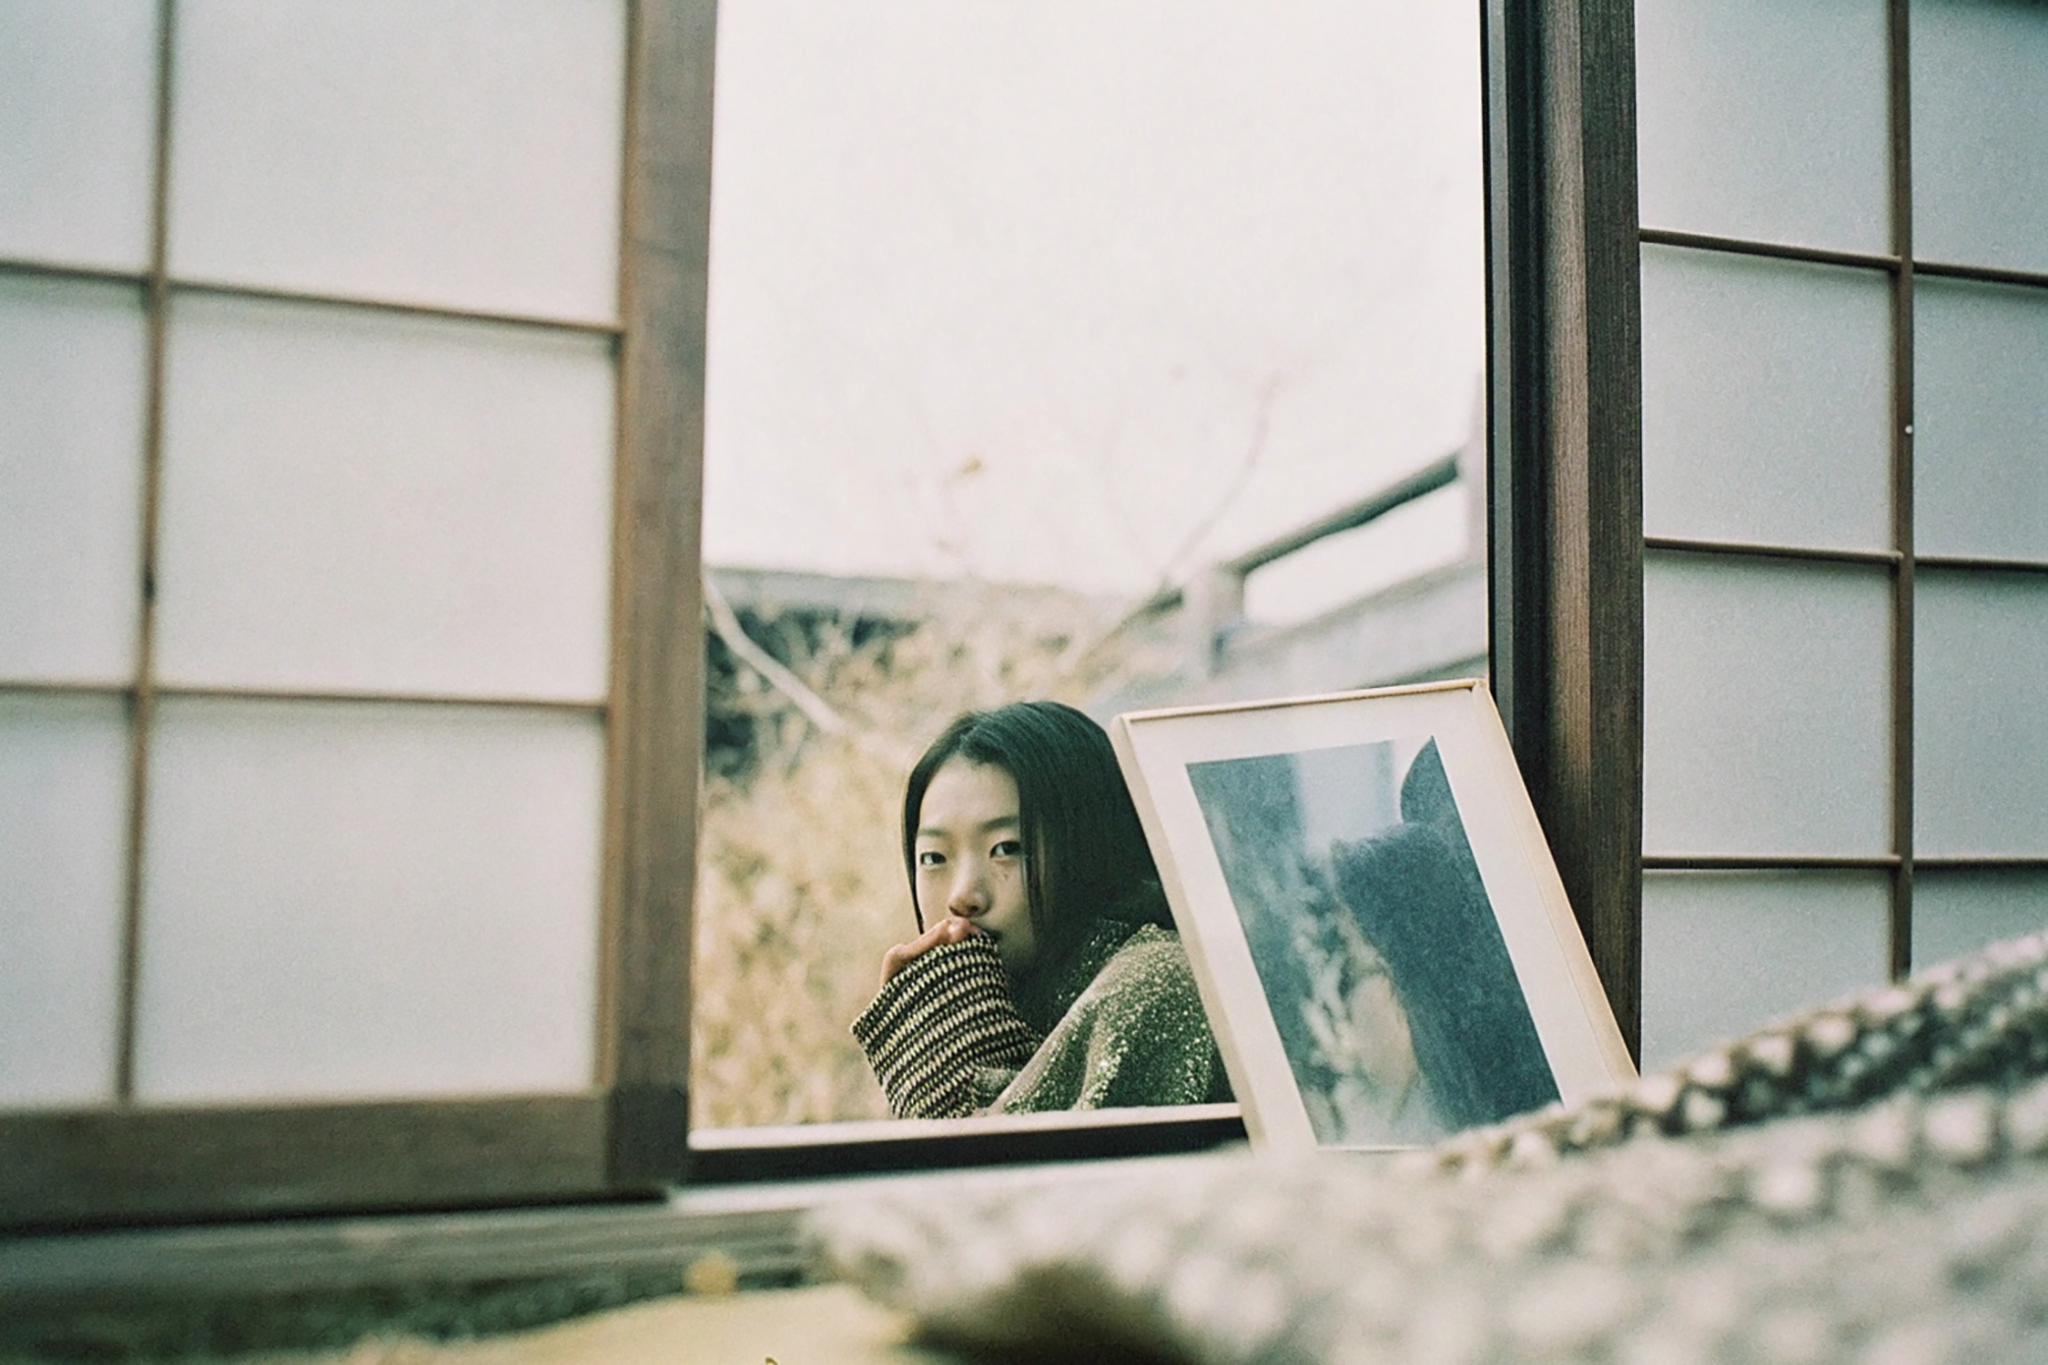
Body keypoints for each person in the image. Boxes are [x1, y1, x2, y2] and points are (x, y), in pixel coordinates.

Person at [852, 701, 1232, 1119]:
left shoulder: (1153, 985)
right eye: (934, 857)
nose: (962, 896)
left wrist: (943, 1067)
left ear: (1090, 846)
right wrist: (940, 1027)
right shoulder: (1032, 1005)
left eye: (1006, 849)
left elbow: (998, 1175)